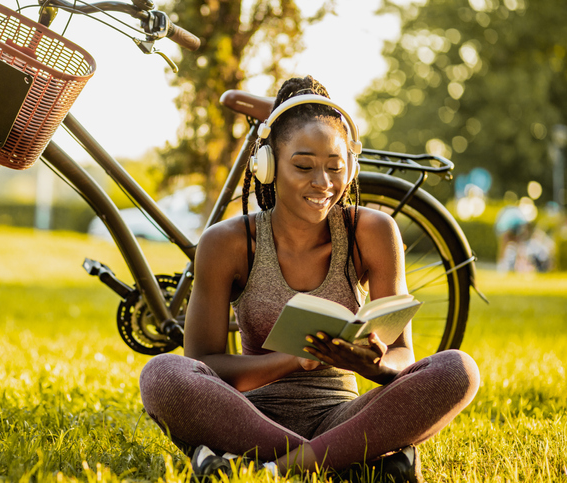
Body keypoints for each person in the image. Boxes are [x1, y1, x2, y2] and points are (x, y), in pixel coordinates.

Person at [139, 76, 479, 482]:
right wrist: (293, 360)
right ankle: (351, 460)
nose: (323, 183)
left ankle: (267, 469)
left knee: (459, 369)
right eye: (303, 166)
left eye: (335, 168)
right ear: (267, 166)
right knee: (162, 375)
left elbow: (404, 356)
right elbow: (200, 364)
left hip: (345, 415)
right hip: (249, 415)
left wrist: (370, 364)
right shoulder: (227, 242)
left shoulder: (373, 232)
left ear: (350, 168)